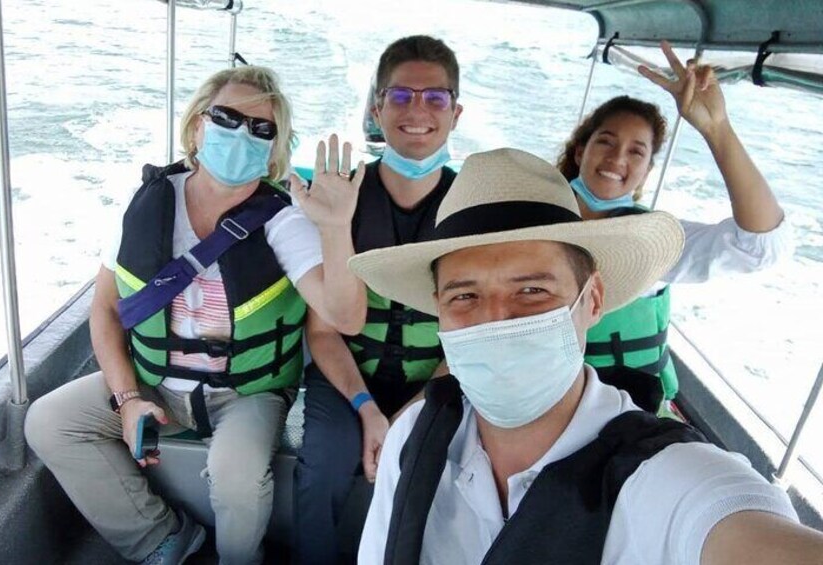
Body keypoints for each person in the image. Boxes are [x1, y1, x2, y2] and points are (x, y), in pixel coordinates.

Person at [351, 148, 823, 564]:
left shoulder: (667, 477)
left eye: (532, 290)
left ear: (592, 299)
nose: (496, 320)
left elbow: (741, 531)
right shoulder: (413, 435)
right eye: (464, 297)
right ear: (439, 312)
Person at [24, 65, 366, 565]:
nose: (240, 134)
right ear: (196, 126)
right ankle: (163, 541)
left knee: (236, 476)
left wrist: (335, 228)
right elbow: (104, 309)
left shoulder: (286, 219)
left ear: (275, 148)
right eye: (226, 117)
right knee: (50, 420)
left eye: (261, 128)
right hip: (153, 380)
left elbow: (346, 317)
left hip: (246, 392)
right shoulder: (146, 202)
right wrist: (127, 397)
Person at [294, 35, 462, 564]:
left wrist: (410, 413)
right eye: (401, 96)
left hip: (435, 381)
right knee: (322, 463)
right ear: (377, 108)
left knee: (424, 468)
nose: (418, 111)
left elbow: (464, 337)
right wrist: (368, 409)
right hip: (345, 374)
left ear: (455, 113)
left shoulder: (469, 211)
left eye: (435, 98)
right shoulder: (338, 197)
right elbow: (321, 331)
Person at [558, 41, 792, 402]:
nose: (618, 157)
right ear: (580, 151)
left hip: (627, 414)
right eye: (605, 142)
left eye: (636, 151)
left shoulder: (655, 243)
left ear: (646, 171)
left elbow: (759, 247)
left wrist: (717, 128)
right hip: (545, 405)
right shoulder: (533, 218)